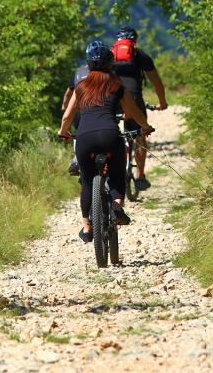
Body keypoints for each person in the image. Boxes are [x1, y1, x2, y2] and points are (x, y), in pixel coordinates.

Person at [58, 45, 152, 242]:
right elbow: (134, 112)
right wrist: (145, 127)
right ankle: (117, 207)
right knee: (117, 173)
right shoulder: (116, 85)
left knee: (87, 182)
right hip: (110, 136)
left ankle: (86, 227)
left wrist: (63, 132)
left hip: (84, 138)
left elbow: (68, 115)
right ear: (111, 64)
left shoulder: (81, 86)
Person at [111, 25, 167, 191]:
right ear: (134, 40)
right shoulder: (140, 55)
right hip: (134, 99)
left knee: (111, 131)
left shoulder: (108, 55)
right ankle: (140, 176)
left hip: (111, 100)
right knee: (140, 134)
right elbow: (157, 83)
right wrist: (162, 103)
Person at [60, 40, 107, 175]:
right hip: (103, 113)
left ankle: (77, 158)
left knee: (78, 132)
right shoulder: (110, 74)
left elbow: (69, 92)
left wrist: (65, 107)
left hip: (80, 111)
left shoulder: (79, 72)